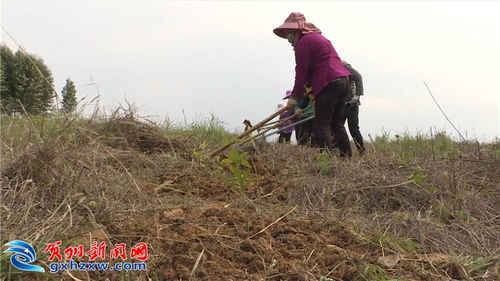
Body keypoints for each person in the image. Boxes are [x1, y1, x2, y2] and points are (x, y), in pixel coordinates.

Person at [273, 12, 352, 157]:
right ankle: (346, 157)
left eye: (289, 35)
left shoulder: (303, 43)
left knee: (321, 124)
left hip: (328, 83)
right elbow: (312, 70)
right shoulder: (319, 38)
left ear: (296, 31)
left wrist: (294, 97)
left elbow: (301, 71)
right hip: (343, 81)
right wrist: (302, 96)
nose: (289, 41)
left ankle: (325, 159)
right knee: (337, 124)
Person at [339, 61, 366, 153]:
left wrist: (357, 95)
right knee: (337, 127)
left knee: (353, 128)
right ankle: (340, 152)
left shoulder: (342, 64)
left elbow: (358, 76)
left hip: (351, 103)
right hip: (340, 103)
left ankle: (362, 151)